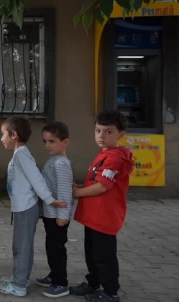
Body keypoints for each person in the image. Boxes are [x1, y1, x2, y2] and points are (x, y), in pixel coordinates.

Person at [0, 117, 66, 296]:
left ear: (14, 134)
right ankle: (21, 278)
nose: (1, 138)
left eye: (3, 134)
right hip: (22, 208)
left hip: (27, 208)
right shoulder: (20, 153)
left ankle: (19, 286)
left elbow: (36, 178)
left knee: (22, 246)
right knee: (20, 245)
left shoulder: (21, 154)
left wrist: (50, 199)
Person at [70, 110, 133, 302]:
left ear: (120, 135)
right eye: (98, 131)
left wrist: (77, 193)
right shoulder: (106, 153)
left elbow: (102, 186)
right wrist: (81, 187)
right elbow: (96, 181)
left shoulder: (115, 158)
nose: (101, 136)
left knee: (104, 257)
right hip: (93, 216)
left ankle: (111, 292)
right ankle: (93, 283)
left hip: (104, 217)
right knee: (92, 253)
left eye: (108, 132)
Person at [35, 121, 74, 298]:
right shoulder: (54, 160)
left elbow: (65, 192)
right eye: (45, 141)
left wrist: (63, 216)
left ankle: (61, 283)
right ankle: (54, 276)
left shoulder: (61, 164)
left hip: (58, 216)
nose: (47, 145)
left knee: (56, 249)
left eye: (52, 141)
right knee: (51, 247)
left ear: (64, 142)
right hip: (51, 214)